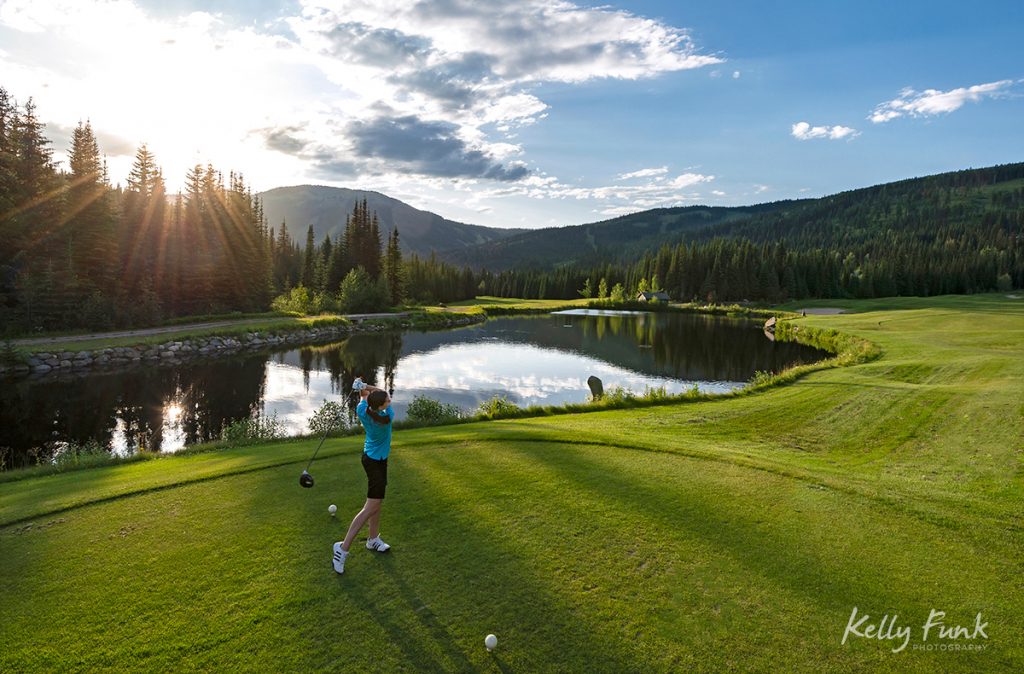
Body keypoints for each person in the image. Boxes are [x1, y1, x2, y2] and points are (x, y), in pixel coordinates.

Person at [333, 378, 394, 574]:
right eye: (387, 399)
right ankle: (342, 548)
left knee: (377, 503)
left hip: (372, 459)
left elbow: (367, 397)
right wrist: (365, 385)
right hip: (376, 463)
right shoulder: (388, 416)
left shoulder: (362, 410)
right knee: (370, 507)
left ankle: (373, 539)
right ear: (382, 406)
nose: (389, 399)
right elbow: (379, 392)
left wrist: (360, 385)